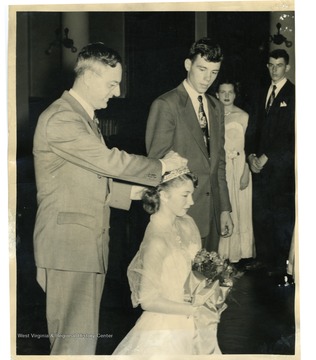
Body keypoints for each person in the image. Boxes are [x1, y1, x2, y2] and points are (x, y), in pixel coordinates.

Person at [32, 42, 187, 355]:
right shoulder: (62, 119)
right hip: (69, 248)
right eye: (112, 84)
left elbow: (84, 182)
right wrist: (160, 166)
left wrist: (138, 192)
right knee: (72, 345)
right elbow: (107, 162)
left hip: (81, 247)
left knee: (81, 341)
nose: (116, 93)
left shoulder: (83, 119)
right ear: (89, 78)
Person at [112, 167, 222, 355]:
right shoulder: (156, 240)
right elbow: (147, 300)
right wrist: (192, 309)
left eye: (192, 195)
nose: (192, 202)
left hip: (196, 322)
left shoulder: (187, 223)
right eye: (185, 195)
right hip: (167, 325)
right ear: (163, 195)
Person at [145, 37, 233, 252]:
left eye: (214, 72)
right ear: (188, 65)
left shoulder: (216, 107)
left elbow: (218, 162)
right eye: (202, 69)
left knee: (208, 281)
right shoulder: (166, 104)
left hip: (212, 215)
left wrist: (224, 209)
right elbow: (157, 165)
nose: (207, 78)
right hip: (181, 213)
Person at [245, 49, 295, 280]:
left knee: (280, 214)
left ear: (287, 67)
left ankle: (281, 262)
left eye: (279, 65)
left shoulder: (295, 94)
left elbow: (290, 135)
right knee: (261, 212)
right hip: (259, 166)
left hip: (281, 168)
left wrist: (267, 156)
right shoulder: (260, 93)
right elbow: (252, 129)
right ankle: (263, 258)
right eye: (271, 65)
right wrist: (251, 155)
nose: (275, 69)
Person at [216, 81, 255, 263]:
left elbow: (250, 147)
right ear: (217, 95)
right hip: (222, 167)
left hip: (240, 166)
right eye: (222, 92)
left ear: (234, 95)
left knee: (241, 207)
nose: (226, 96)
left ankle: (240, 253)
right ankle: (223, 254)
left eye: (230, 92)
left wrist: (246, 170)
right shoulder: (214, 115)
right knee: (225, 206)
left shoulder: (244, 116)